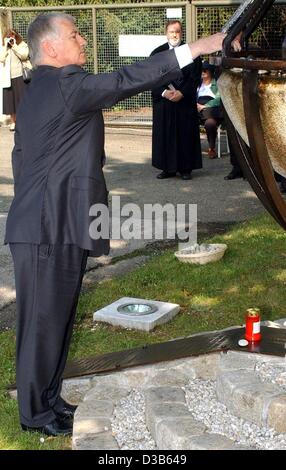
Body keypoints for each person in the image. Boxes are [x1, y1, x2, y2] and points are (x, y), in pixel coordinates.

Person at [4, 12, 238, 437]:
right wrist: (199, 48)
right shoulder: (64, 84)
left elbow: (24, 160)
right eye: (75, 35)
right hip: (46, 227)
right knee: (42, 324)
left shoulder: (41, 90)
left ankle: (50, 402)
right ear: (51, 48)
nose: (83, 42)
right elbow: (124, 79)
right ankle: (35, 415)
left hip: (54, 222)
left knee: (56, 319)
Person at [150, 20, 202, 180]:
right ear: (166, 33)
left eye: (177, 31)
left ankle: (185, 168)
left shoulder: (191, 52)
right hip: (164, 101)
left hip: (184, 102)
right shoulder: (157, 53)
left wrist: (183, 92)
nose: (174, 34)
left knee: (185, 133)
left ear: (182, 33)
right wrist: (164, 92)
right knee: (166, 134)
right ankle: (167, 168)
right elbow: (151, 77)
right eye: (172, 31)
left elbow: (195, 77)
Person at [0, 29, 29, 131]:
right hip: (8, 78)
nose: (10, 37)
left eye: (12, 35)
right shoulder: (4, 46)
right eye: (8, 35)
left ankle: (24, 121)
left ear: (16, 36)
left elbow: (24, 55)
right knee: (10, 102)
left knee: (21, 100)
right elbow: (1, 58)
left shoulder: (21, 44)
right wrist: (7, 48)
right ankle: (13, 122)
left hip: (20, 75)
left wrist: (15, 46)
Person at [197, 61, 224, 159]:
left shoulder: (216, 84)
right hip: (198, 109)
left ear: (210, 72)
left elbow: (219, 98)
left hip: (212, 111)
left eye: (205, 70)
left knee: (210, 123)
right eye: (200, 70)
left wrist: (205, 106)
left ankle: (211, 148)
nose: (202, 72)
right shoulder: (197, 84)